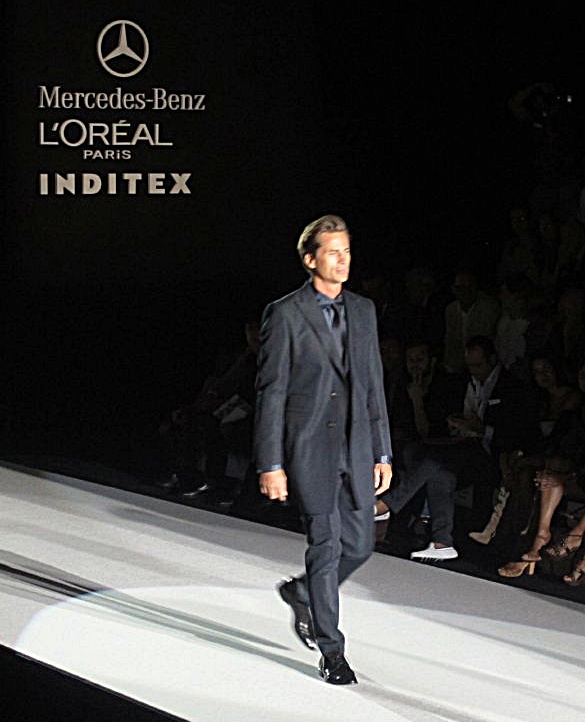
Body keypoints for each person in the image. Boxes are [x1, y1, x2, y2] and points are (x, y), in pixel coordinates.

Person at [254, 214, 392, 685]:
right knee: (326, 547)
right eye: (333, 252)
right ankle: (333, 652)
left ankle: (301, 592)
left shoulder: (364, 310)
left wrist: (383, 451)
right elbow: (272, 391)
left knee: (361, 545)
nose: (343, 260)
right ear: (310, 259)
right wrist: (271, 462)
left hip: (357, 446)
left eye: (347, 251)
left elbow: (373, 383)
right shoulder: (285, 313)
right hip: (310, 447)